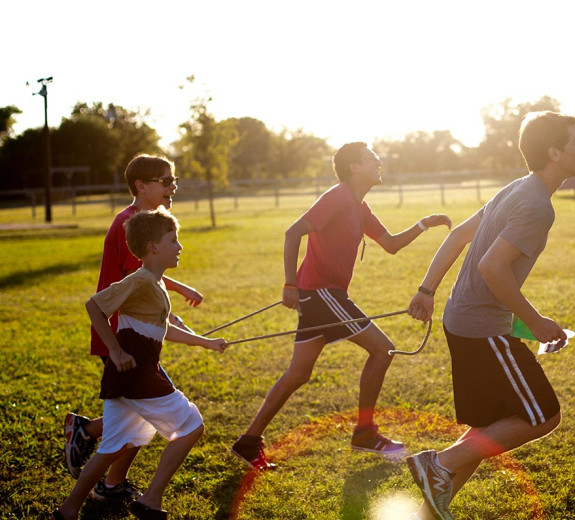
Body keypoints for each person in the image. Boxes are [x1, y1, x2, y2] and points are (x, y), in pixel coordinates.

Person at [405, 111, 575, 520]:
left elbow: (457, 235)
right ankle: (437, 463)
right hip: (480, 328)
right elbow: (492, 268)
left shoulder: (518, 188)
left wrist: (426, 290)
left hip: (462, 320)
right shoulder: (537, 204)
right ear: (554, 152)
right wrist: (537, 322)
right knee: (543, 415)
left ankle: (427, 512)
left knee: (488, 427)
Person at [230, 142, 451, 470]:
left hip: (322, 296)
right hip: (322, 295)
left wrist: (423, 224)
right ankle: (364, 433)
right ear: (353, 168)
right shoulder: (338, 196)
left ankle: (248, 442)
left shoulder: (360, 206)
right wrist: (290, 284)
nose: (378, 162)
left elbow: (389, 244)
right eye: (370, 158)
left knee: (299, 373)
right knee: (383, 350)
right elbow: (293, 233)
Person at [52, 208, 227, 520]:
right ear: (153, 247)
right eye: (174, 240)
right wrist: (116, 350)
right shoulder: (142, 279)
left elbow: (163, 331)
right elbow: (94, 306)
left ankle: (68, 510)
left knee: (112, 446)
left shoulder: (156, 283)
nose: (180, 246)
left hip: (131, 375)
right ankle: (150, 500)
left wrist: (207, 342)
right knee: (191, 425)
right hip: (136, 374)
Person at [63, 154, 204, 502]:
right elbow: (139, 279)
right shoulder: (132, 224)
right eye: (165, 180)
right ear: (141, 186)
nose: (173, 187)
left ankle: (106, 477)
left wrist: (177, 295)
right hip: (122, 338)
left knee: (134, 416)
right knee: (153, 411)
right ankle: (94, 450)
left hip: (135, 333)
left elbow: (149, 278)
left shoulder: (147, 222)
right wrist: (165, 315)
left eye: (174, 180)